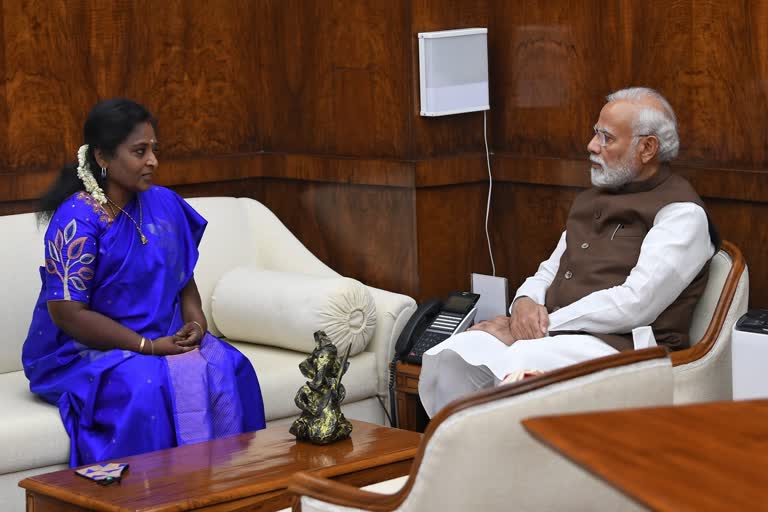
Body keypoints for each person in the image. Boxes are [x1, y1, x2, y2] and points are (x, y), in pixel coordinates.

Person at [419, 87, 719, 417]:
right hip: (560, 336)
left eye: (606, 138)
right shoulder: (593, 199)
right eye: (595, 134)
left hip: (622, 349)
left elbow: (635, 304)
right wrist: (524, 305)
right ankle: (465, 463)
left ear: (647, 148)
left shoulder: (682, 214)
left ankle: (511, 465)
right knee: (455, 353)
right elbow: (551, 269)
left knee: (521, 366)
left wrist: (538, 328)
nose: (592, 146)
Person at [23, 98, 266, 467]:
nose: (152, 160)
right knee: (148, 388)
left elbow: (183, 280)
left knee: (232, 366)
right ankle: (149, 499)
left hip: (160, 334)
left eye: (154, 149)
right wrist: (147, 346)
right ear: (103, 157)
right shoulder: (78, 218)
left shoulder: (165, 204)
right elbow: (67, 313)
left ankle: (232, 490)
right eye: (139, 151)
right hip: (82, 350)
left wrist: (196, 324)